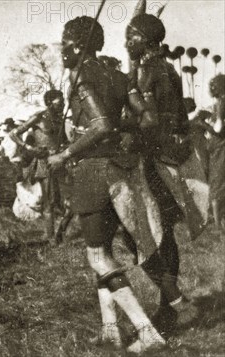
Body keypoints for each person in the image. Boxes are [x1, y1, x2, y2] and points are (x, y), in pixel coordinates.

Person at [48, 16, 166, 353]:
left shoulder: (82, 75)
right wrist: (122, 134)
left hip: (94, 171)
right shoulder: (118, 74)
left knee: (99, 257)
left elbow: (100, 124)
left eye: (65, 43)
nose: (62, 51)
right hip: (121, 168)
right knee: (103, 251)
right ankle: (111, 329)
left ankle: (146, 331)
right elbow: (148, 118)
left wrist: (65, 154)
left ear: (79, 45)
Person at [126, 12, 202, 331]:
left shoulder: (146, 69)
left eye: (131, 36)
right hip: (171, 157)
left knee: (145, 235)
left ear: (144, 39)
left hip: (152, 157)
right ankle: (167, 307)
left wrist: (123, 125)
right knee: (164, 234)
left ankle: (172, 304)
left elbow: (149, 119)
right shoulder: (168, 67)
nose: (127, 42)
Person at [9, 90, 67, 243]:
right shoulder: (39, 117)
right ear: (49, 102)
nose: (63, 104)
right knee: (50, 201)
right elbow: (13, 134)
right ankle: (51, 237)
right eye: (59, 101)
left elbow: (64, 141)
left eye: (63, 101)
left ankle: (61, 232)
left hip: (60, 161)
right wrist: (28, 148)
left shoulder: (60, 120)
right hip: (44, 163)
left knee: (65, 200)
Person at [206, 74, 225, 231]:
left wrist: (203, 125)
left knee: (217, 183)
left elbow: (218, 128)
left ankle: (218, 225)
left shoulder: (221, 102)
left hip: (220, 146)